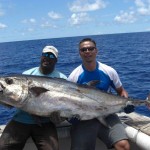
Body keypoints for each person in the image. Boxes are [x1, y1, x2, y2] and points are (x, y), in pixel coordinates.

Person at [68, 38, 134, 150]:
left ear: (96, 51)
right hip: (84, 117)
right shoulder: (74, 76)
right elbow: (68, 100)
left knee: (123, 146)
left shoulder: (109, 71)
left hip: (107, 113)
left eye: (91, 48)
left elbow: (121, 91)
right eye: (84, 49)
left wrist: (126, 102)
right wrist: (71, 116)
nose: (87, 51)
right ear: (80, 53)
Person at [0, 45, 67, 150]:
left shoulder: (62, 78)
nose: (47, 57)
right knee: (3, 147)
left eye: (51, 56)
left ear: (56, 60)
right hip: (21, 119)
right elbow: (12, 103)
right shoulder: (27, 74)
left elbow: (66, 106)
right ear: (41, 57)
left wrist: (60, 117)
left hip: (46, 123)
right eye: (45, 54)